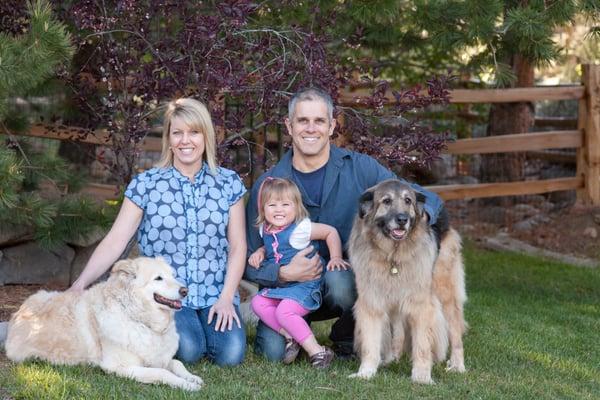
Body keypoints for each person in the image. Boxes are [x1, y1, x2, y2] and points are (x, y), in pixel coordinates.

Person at [244, 87, 444, 361]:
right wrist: (283, 273)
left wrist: (419, 217)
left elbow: (420, 195)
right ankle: (299, 336)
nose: (310, 129)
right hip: (287, 292)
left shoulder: (361, 169)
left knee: (340, 281)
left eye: (319, 121)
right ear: (289, 126)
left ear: (331, 126)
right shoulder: (269, 185)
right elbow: (248, 260)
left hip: (343, 284)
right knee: (272, 353)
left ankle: (346, 336)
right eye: (303, 121)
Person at [70, 98, 248, 366]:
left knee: (231, 355)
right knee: (189, 350)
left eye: (193, 132)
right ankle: (190, 333)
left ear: (206, 136)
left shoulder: (228, 183)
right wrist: (80, 284)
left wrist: (226, 299)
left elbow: (238, 246)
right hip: (167, 295)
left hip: (215, 291)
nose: (185, 141)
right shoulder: (146, 185)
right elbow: (116, 241)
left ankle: (206, 327)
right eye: (177, 133)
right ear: (168, 137)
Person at [248, 177, 349, 368]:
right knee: (258, 302)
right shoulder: (266, 229)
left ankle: (317, 351)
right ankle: (290, 336)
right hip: (284, 285)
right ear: (263, 208)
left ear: (296, 207)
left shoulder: (300, 229)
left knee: (284, 311)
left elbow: (330, 232)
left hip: (305, 285)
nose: (279, 209)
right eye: (272, 204)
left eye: (286, 204)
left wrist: (336, 257)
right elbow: (269, 247)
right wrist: (260, 252)